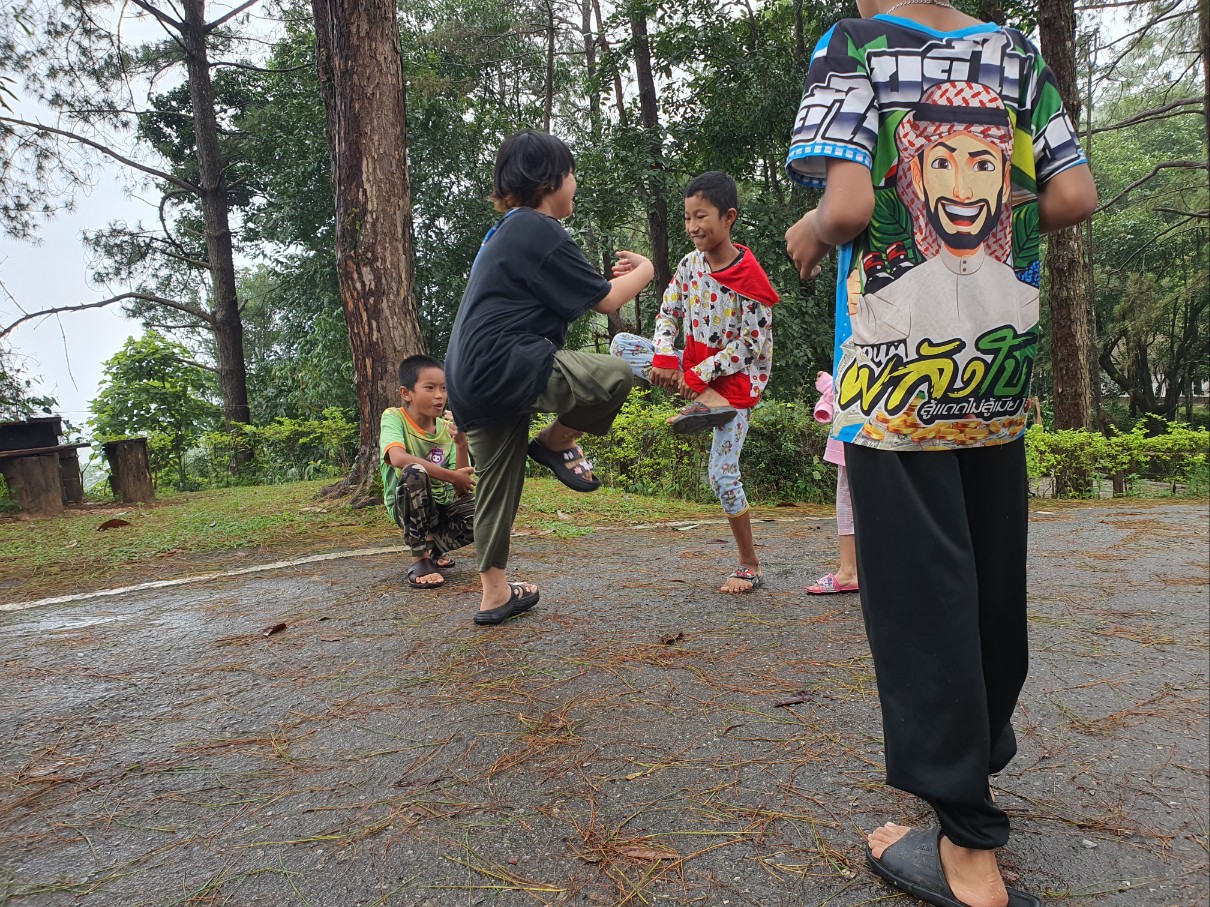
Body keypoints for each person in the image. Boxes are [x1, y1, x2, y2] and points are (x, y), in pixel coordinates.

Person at [784, 1, 1098, 905]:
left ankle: (966, 849)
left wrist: (813, 227)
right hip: (999, 368)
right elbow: (1074, 195)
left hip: (897, 379)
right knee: (991, 577)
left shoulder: (853, 45)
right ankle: (978, 768)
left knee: (922, 596)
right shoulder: (1013, 51)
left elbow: (847, 205)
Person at [444, 129, 654, 626]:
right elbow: (606, 299)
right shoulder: (537, 228)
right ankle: (557, 443)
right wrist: (646, 268)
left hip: (469, 375)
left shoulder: (503, 233)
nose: (575, 184)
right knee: (615, 375)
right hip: (506, 362)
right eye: (572, 173)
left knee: (497, 483)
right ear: (551, 180)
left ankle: (494, 594)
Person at [610, 171, 780, 593]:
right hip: (688, 369)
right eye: (687, 218)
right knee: (620, 345)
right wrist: (666, 357)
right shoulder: (689, 266)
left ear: (729, 218)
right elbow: (668, 314)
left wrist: (700, 374)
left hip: (734, 387)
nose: (692, 227)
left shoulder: (750, 279)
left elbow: (752, 345)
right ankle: (694, 399)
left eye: (700, 216)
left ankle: (749, 565)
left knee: (723, 476)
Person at [379, 355, 476, 590]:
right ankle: (419, 558)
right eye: (430, 388)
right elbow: (398, 458)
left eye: (444, 388)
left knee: (492, 508)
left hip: (442, 507)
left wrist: (461, 443)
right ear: (406, 393)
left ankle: (434, 548)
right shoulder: (394, 417)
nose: (439, 395)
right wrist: (453, 476)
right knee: (414, 470)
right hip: (408, 506)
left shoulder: (446, 428)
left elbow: (460, 486)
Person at [807, 371, 858, 595]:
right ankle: (851, 570)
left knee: (848, 499)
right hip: (860, 427)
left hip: (862, 426)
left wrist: (830, 387)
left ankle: (850, 572)